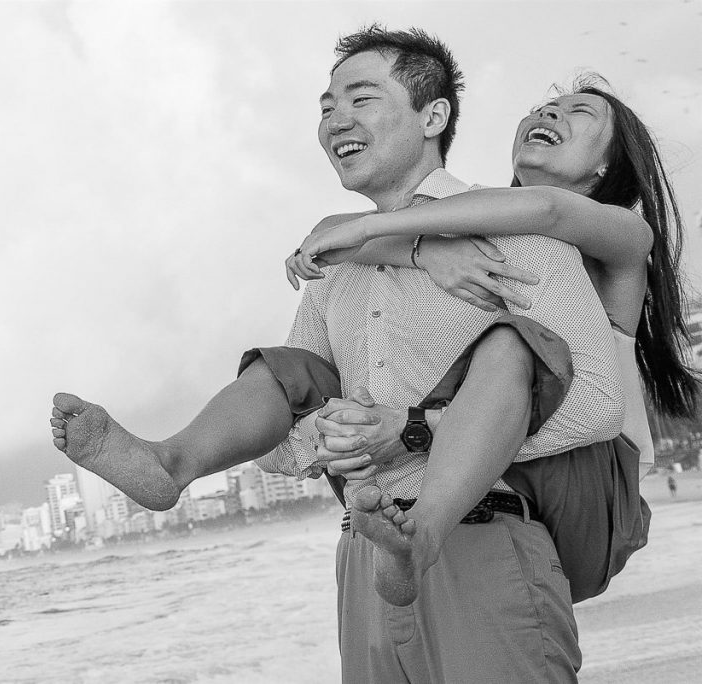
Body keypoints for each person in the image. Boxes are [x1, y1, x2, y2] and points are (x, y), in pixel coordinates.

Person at [49, 26, 680, 680]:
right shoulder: (347, 264)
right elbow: (281, 445)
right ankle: (171, 461)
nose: (335, 118)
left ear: (433, 116)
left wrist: (406, 428)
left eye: (361, 99)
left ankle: (424, 527)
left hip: (503, 528)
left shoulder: (569, 243)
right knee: (290, 371)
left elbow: (593, 396)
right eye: (326, 106)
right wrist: (324, 435)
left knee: (515, 349)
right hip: (366, 558)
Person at [281, 76, 699, 607]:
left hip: (589, 483)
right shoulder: (485, 229)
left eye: (580, 112)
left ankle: (422, 531)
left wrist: (373, 235)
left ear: (607, 166)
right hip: (513, 473)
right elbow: (331, 225)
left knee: (510, 345)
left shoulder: (624, 237)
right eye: (543, 106)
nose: (549, 114)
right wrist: (423, 249)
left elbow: (549, 211)